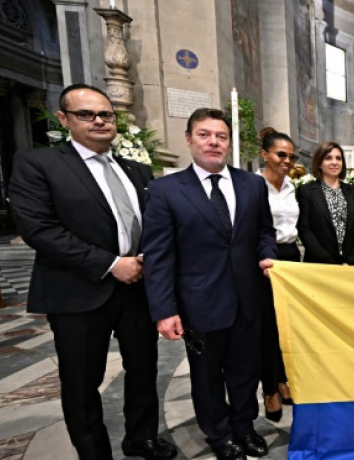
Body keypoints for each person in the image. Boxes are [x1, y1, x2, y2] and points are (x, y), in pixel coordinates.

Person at [8, 84, 177, 460]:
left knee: (143, 369)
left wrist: (149, 257)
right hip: (78, 291)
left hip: (137, 288)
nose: (99, 121)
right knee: (82, 382)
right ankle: (94, 453)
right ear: (64, 119)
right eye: (86, 114)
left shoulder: (137, 169)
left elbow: (155, 223)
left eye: (106, 114)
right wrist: (111, 264)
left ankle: (141, 437)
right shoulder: (39, 164)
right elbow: (39, 229)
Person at [142, 108, 277, 460]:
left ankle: (244, 427)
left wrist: (267, 254)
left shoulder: (252, 185)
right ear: (189, 139)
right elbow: (158, 254)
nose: (213, 142)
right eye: (204, 135)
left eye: (221, 136)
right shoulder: (166, 190)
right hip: (198, 302)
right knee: (206, 376)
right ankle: (219, 435)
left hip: (247, 298)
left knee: (245, 372)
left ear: (229, 143)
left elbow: (265, 231)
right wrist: (164, 309)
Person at [255, 128, 299, 422]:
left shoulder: (293, 187)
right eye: (281, 154)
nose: (287, 161)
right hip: (263, 258)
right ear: (265, 154)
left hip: (290, 255)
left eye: (291, 157)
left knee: (287, 324)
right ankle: (269, 388)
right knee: (267, 326)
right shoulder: (253, 186)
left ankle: (284, 380)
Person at [297, 141, 354, 265]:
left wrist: (351, 260)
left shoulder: (352, 191)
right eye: (328, 158)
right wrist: (331, 263)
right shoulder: (307, 191)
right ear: (319, 163)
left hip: (350, 265)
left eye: (338, 158)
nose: (334, 162)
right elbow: (304, 229)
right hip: (320, 264)